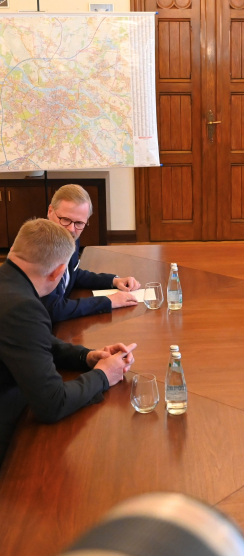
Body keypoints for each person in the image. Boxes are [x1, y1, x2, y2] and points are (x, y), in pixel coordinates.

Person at [0, 219, 136, 463]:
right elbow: (52, 404)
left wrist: (87, 356)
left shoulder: (8, 285)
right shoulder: (23, 307)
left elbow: (34, 341)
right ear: (58, 272)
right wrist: (104, 375)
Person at [42, 184, 140, 322]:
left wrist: (114, 281)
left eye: (79, 223)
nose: (71, 229)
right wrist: (108, 301)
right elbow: (53, 309)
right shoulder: (39, 251)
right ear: (50, 211)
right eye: (65, 220)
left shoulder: (71, 236)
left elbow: (72, 274)